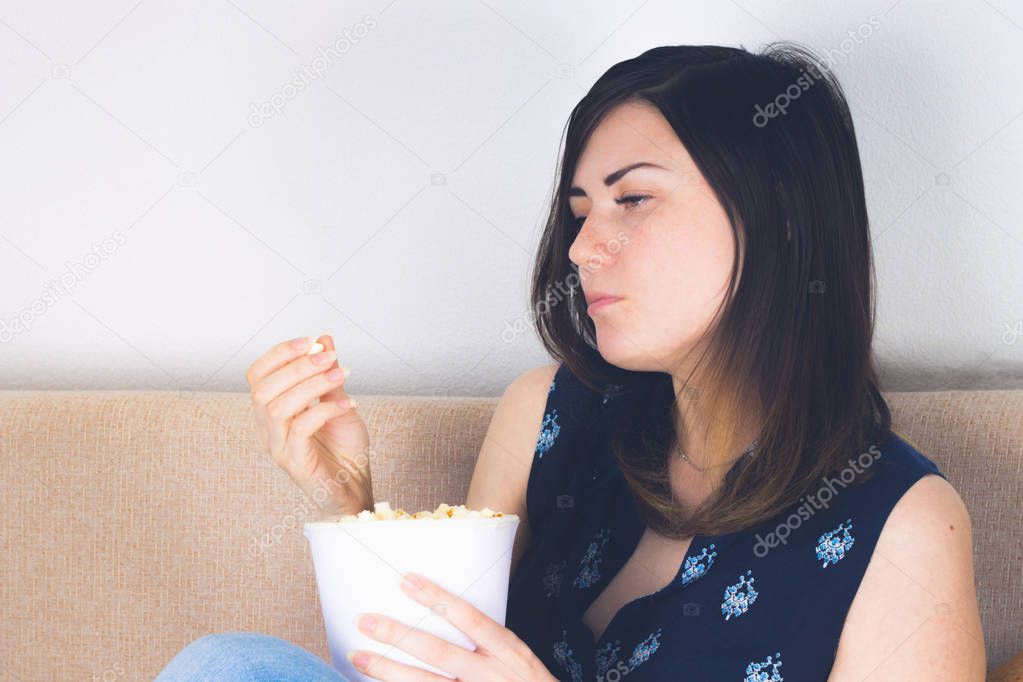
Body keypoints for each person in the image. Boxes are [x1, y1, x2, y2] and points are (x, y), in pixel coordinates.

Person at [156, 42, 985, 681]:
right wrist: (349, 502)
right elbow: (415, 661)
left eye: (632, 199)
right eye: (580, 210)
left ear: (780, 220)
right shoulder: (547, 412)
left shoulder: (902, 523)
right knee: (227, 667)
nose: (583, 248)